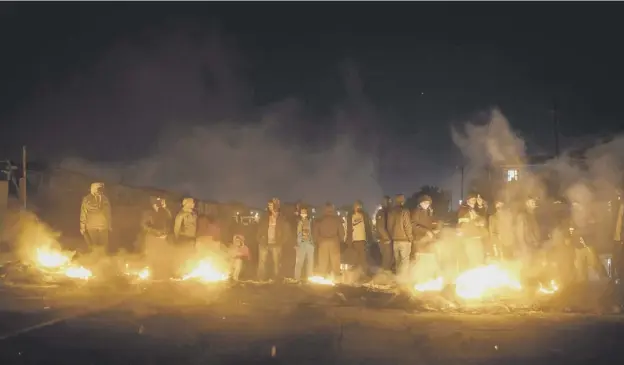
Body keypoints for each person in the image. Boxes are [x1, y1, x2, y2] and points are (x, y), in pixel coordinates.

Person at [256, 198, 291, 281]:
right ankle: (260, 279)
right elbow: (260, 228)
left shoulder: (281, 218)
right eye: (268, 205)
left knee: (276, 262)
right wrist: (259, 238)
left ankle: (276, 279)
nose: (269, 207)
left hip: (276, 243)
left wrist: (281, 241)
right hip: (264, 242)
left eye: (271, 205)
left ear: (276, 206)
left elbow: (286, 231)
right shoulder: (265, 216)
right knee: (262, 262)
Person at [141, 196, 173, 279]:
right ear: (154, 204)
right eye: (160, 203)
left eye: (163, 202)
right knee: (152, 256)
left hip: (163, 238)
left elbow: (169, 224)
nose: (162, 204)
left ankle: (162, 273)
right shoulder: (148, 213)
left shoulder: (166, 212)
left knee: (162, 256)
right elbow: (144, 225)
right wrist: (155, 232)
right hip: (152, 238)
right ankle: (152, 274)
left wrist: (165, 233)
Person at [313, 202, 345, 279]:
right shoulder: (336, 220)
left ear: (324, 210)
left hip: (323, 242)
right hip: (334, 242)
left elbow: (315, 232)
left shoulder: (320, 220)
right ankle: (337, 277)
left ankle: (321, 276)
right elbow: (341, 232)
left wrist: (317, 240)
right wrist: (341, 240)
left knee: (323, 261)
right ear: (332, 209)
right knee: (335, 261)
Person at [387, 194, 413, 283]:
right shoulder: (404, 211)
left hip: (395, 241)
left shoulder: (391, 212)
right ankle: (404, 281)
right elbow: (407, 226)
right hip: (404, 240)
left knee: (397, 262)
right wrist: (410, 238)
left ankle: (398, 280)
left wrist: (392, 236)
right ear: (402, 201)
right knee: (405, 262)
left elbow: (389, 227)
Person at [457, 193, 487, 270]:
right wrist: (474, 223)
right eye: (472, 198)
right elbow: (462, 223)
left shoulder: (475, 209)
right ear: (467, 200)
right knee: (472, 258)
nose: (474, 200)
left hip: (478, 236)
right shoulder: (463, 209)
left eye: (475, 199)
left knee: (480, 257)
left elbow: (482, 217)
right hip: (469, 237)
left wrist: (480, 206)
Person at [80, 182, 112, 253]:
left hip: (103, 227)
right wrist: (82, 227)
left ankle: (102, 262)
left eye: (101, 188)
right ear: (93, 189)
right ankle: (93, 261)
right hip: (92, 227)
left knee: (103, 247)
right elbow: (83, 213)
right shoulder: (87, 199)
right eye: (98, 188)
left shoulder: (105, 199)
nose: (100, 190)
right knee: (93, 247)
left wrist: (109, 225)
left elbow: (108, 213)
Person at [345, 200, 374, 280]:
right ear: (354, 207)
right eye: (357, 206)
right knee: (356, 258)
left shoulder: (364, 215)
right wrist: (348, 240)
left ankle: (362, 274)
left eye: (360, 206)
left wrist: (370, 238)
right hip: (354, 240)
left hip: (362, 239)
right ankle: (356, 275)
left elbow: (368, 227)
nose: (358, 207)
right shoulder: (350, 215)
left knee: (362, 258)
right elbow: (348, 228)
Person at [294, 206, 315, 281]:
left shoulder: (310, 221)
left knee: (310, 262)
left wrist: (312, 243)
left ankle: (309, 278)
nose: (303, 214)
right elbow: (297, 233)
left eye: (304, 212)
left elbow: (312, 232)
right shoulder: (298, 222)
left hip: (309, 244)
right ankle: (297, 278)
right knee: (299, 262)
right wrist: (297, 243)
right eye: (302, 212)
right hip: (301, 244)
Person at [375, 196, 393, 272]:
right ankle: (384, 276)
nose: (390, 203)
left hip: (385, 238)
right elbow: (380, 227)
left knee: (388, 258)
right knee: (387, 258)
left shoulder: (387, 211)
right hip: (385, 239)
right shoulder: (382, 212)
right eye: (389, 201)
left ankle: (386, 274)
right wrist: (387, 238)